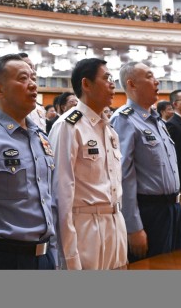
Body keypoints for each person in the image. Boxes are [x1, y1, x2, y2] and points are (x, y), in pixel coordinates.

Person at [0, 53, 57, 269]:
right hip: (5, 257)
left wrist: (54, 257)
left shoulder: (40, 137)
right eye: (23, 78)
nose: (33, 85)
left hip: (44, 256)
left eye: (33, 78)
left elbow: (48, 203)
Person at [48, 57, 126, 270]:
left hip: (115, 222)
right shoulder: (68, 126)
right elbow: (61, 195)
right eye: (106, 78)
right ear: (86, 84)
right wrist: (68, 255)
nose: (112, 84)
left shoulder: (109, 129)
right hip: (85, 229)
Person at [111, 62, 181, 262]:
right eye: (149, 77)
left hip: (173, 210)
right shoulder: (124, 119)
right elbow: (123, 176)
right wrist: (133, 227)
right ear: (132, 84)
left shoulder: (157, 120)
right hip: (149, 213)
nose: (156, 81)